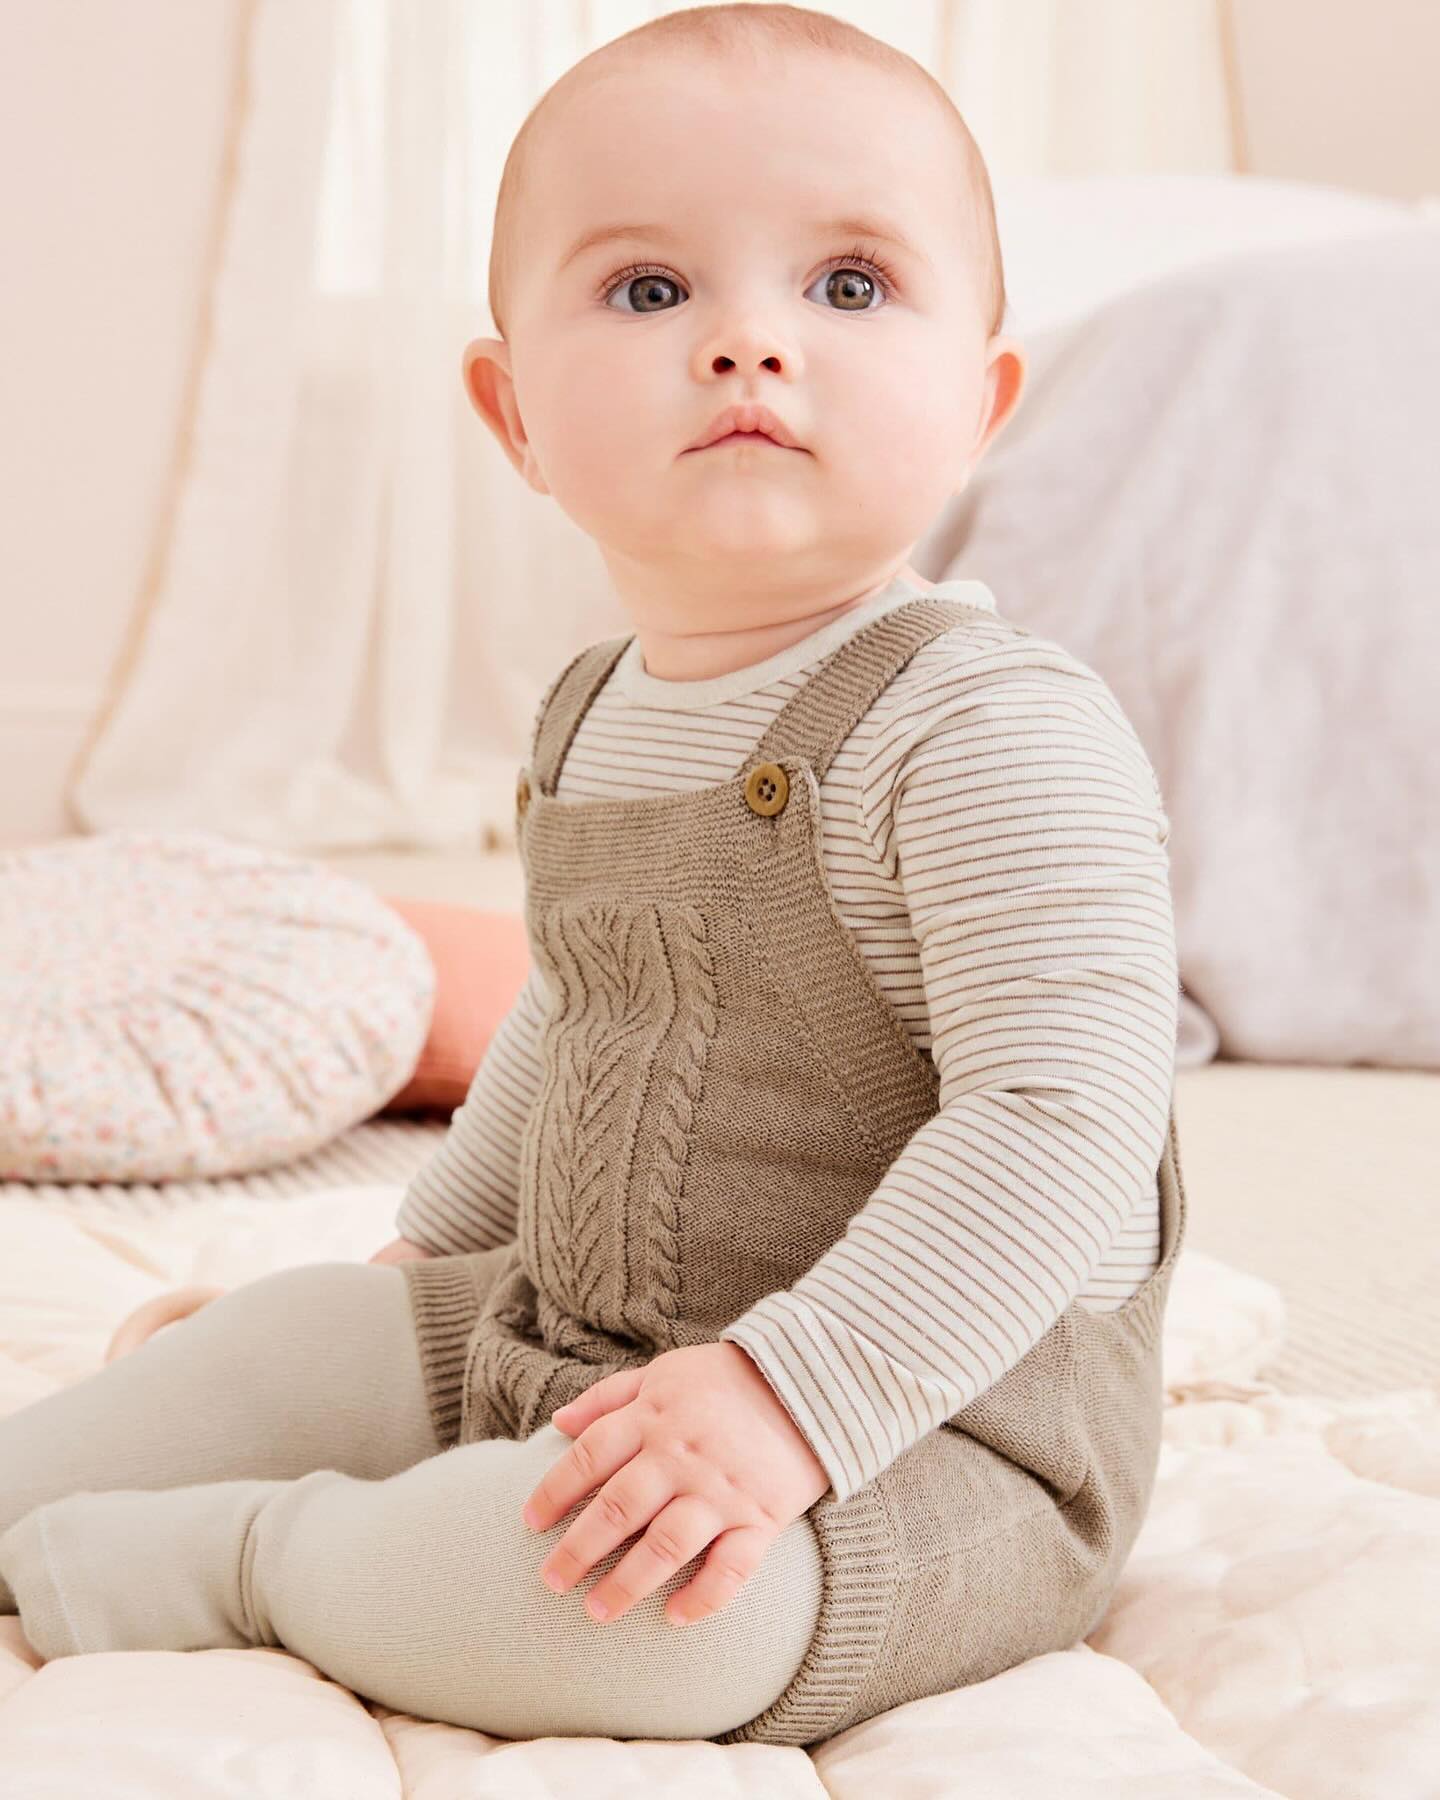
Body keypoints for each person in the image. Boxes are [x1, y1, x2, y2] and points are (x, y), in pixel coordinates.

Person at [0, 2, 1188, 1748]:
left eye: (849, 286)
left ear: (982, 398)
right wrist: (434, 1260)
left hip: (926, 1432)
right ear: (513, 415)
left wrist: (794, 1399)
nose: (748, 347)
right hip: (593, 1326)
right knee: (290, 1342)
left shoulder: (991, 730)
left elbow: (1061, 1126)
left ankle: (262, 1564)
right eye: (650, 293)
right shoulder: (592, 712)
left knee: (647, 1617)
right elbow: (579, 1008)